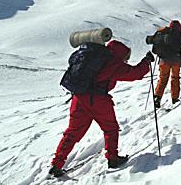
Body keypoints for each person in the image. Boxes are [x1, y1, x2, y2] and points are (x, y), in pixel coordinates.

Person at [49, 40, 154, 177]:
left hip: (79, 99)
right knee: (110, 129)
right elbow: (135, 74)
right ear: (120, 53)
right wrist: (146, 62)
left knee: (72, 132)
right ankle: (113, 158)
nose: (126, 60)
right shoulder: (113, 63)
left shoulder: (93, 58)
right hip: (98, 101)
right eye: (126, 57)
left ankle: (56, 164)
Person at [152, 20, 181, 108]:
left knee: (163, 79)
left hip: (163, 61)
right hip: (176, 61)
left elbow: (154, 50)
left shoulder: (162, 34)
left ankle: (157, 97)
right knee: (175, 78)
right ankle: (175, 98)